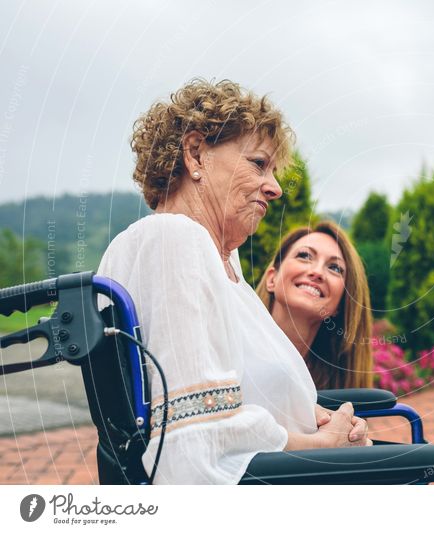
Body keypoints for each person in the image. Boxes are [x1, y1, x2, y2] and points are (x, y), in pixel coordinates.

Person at [97, 79, 369, 485]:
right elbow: (193, 445)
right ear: (195, 154)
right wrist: (323, 448)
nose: (276, 188)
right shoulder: (174, 240)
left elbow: (226, 390)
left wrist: (322, 418)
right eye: (259, 164)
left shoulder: (222, 263)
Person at [252, 222, 373, 392]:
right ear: (272, 279)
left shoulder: (337, 396)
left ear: (340, 303)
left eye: (334, 268)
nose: (317, 272)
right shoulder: (225, 349)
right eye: (305, 256)